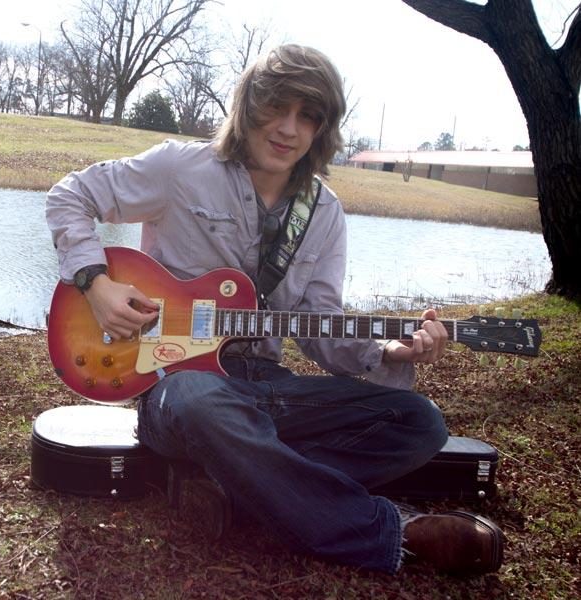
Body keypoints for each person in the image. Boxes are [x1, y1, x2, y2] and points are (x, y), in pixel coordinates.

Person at [45, 44, 504, 575]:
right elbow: (69, 195)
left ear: (322, 129)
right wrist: (96, 283)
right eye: (277, 108)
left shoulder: (324, 213)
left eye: (308, 116)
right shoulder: (180, 169)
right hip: (176, 387)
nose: (289, 129)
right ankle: (385, 531)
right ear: (249, 106)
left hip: (268, 388)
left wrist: (388, 349)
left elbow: (321, 327)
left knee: (419, 422)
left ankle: (235, 488)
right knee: (203, 401)